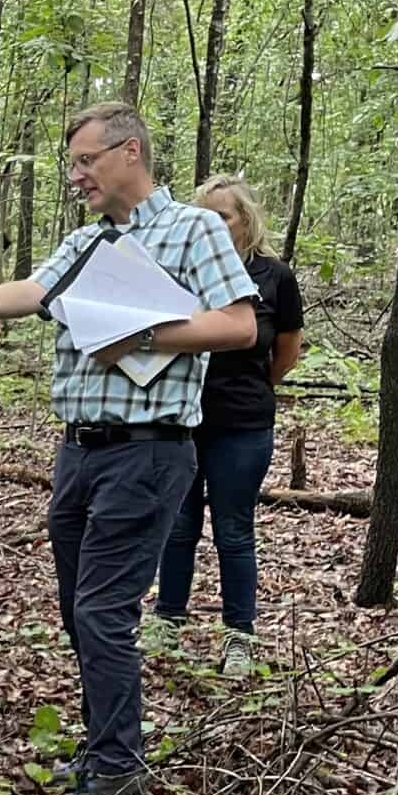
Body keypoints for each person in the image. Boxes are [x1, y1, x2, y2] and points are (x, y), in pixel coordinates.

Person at [0, 102, 258, 795]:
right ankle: (103, 746)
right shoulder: (88, 242)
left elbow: (239, 325)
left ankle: (117, 770)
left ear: (131, 153)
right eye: (73, 162)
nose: (76, 175)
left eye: (86, 160)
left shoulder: (193, 229)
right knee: (79, 610)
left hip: (148, 449)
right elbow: (39, 292)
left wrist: (142, 328)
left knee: (104, 609)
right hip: (79, 450)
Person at [145, 173, 306, 677]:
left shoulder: (274, 277)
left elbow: (286, 354)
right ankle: (167, 621)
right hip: (182, 420)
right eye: (206, 216)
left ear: (246, 219)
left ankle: (239, 638)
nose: (216, 224)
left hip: (243, 424)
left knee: (233, 531)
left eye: (225, 216)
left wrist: (254, 385)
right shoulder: (185, 273)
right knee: (178, 526)